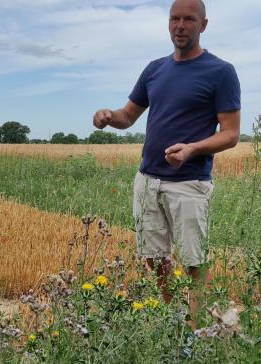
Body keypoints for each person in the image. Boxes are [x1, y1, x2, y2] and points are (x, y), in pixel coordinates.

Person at [92, 0, 240, 329]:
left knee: (193, 261)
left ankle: (194, 329)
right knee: (153, 258)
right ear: (168, 23)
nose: (180, 25)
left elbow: (230, 134)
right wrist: (108, 116)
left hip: (189, 182)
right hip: (148, 180)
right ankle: (179, 316)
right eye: (175, 18)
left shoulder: (221, 72)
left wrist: (192, 149)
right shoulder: (154, 69)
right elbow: (128, 116)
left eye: (189, 19)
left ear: (203, 25)